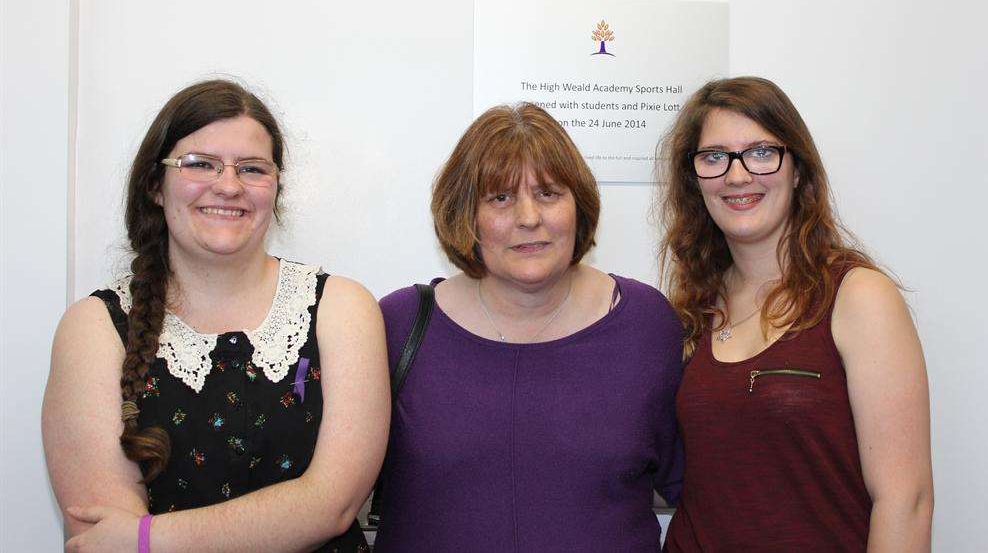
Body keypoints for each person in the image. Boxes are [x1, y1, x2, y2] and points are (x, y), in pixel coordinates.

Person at [43, 80, 389, 552]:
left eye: (251, 168)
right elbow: (101, 539)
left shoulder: (342, 308)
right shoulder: (94, 329)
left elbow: (332, 506)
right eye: (199, 164)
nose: (228, 186)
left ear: (275, 188)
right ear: (154, 186)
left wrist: (147, 540)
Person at [374, 103, 684, 551]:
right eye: (500, 197)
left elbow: (699, 490)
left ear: (578, 205)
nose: (528, 217)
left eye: (548, 193)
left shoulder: (646, 324)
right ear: (466, 213)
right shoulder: (398, 327)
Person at [656, 77, 933, 551]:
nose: (737, 175)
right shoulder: (690, 310)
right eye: (715, 157)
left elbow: (906, 502)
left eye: (762, 152)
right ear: (695, 179)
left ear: (798, 168)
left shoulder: (858, 297)